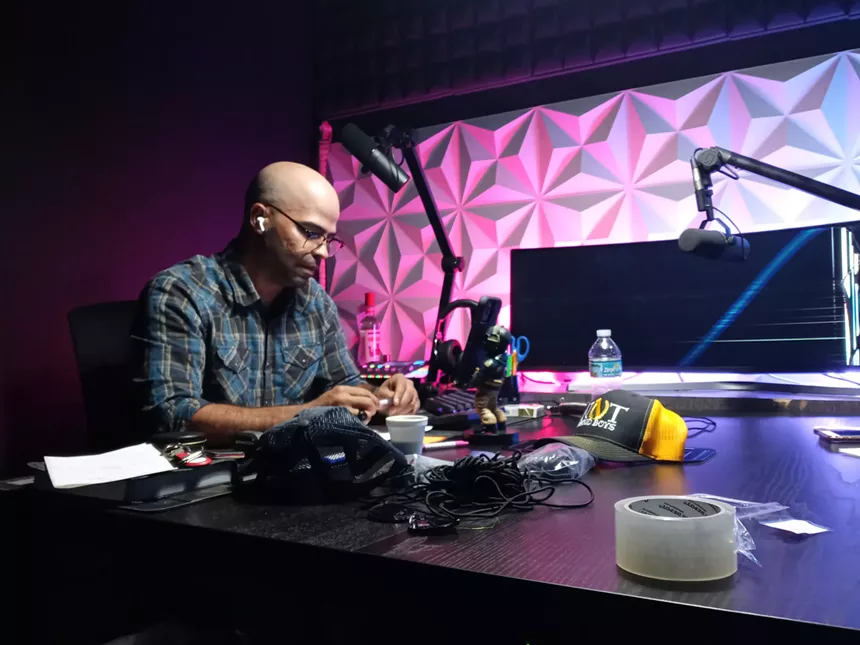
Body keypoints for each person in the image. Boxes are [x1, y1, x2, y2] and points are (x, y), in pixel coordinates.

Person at [132, 161, 419, 444]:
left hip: (291, 475)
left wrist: (382, 397)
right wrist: (308, 414)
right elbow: (172, 414)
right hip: (205, 481)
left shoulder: (314, 302)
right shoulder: (182, 293)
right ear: (260, 218)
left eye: (328, 239)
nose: (323, 253)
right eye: (310, 233)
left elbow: (342, 386)